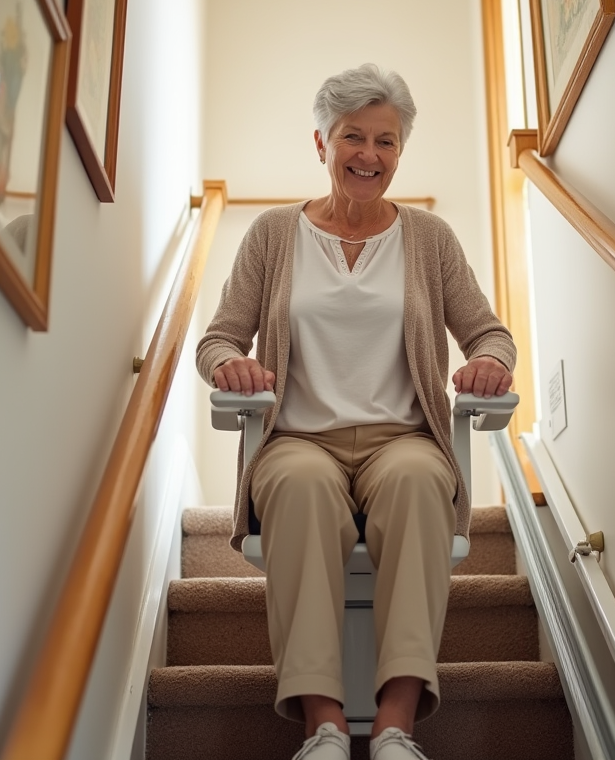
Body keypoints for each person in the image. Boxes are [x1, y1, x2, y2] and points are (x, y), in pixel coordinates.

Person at [195, 63, 515, 760]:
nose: (370, 154)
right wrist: (228, 364)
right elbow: (219, 337)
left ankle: (396, 725)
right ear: (322, 142)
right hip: (297, 439)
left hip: (403, 438)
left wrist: (491, 363)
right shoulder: (273, 234)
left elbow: (490, 333)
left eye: (386, 141)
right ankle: (325, 725)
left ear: (400, 152)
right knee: (300, 487)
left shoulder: (429, 239)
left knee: (419, 480)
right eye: (353, 137)